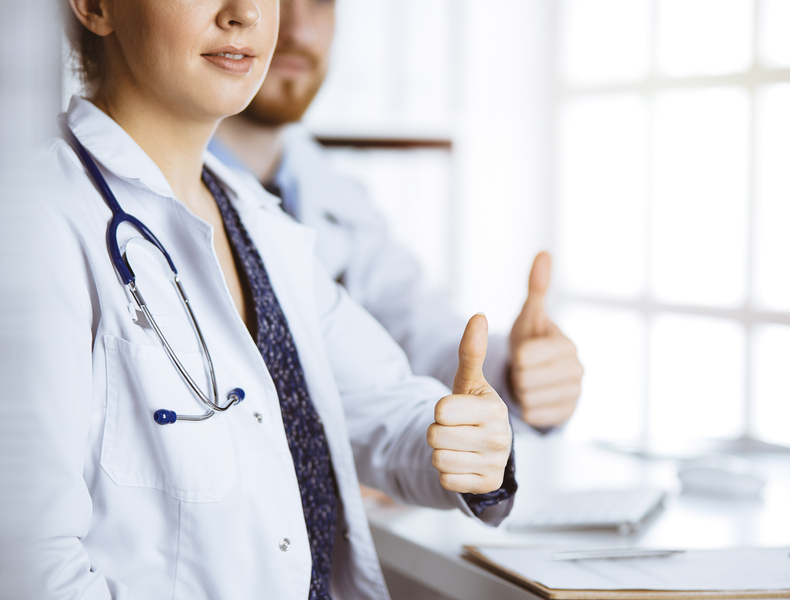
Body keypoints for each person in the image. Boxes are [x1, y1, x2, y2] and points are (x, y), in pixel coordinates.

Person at [0, 0, 516, 598]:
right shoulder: (35, 221)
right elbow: (29, 565)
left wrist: (476, 446)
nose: (245, 12)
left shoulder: (256, 222)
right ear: (95, 6)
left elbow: (389, 412)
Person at [212, 0, 584, 430]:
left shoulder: (335, 195)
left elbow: (419, 334)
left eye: (320, 0)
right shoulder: (167, 195)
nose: (299, 31)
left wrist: (516, 375)